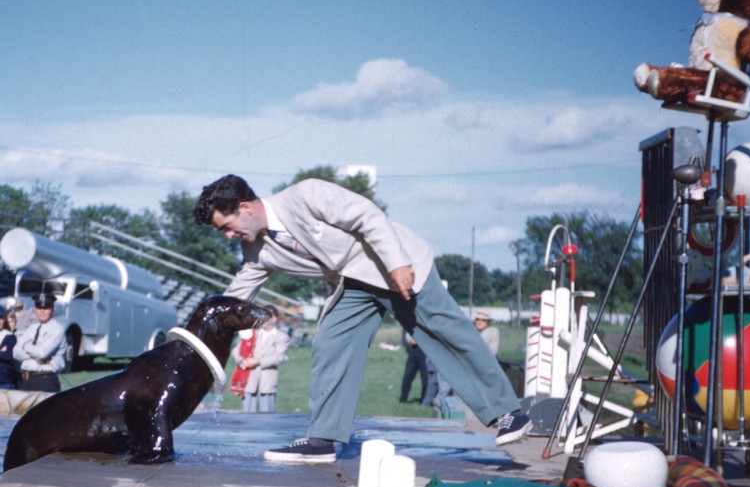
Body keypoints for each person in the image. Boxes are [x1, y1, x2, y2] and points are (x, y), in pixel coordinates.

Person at [192, 174, 531, 463]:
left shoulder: (306, 194)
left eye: (227, 226)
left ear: (245, 208)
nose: (228, 235)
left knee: (445, 332)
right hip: (352, 282)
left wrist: (398, 264)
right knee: (330, 343)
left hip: (396, 261)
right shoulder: (256, 250)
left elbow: (368, 216)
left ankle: (509, 414)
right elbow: (234, 298)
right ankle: (322, 441)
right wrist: (199, 337)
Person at [237, 306, 290, 413]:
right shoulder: (252, 334)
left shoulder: (282, 337)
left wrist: (258, 362)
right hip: (249, 380)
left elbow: (279, 357)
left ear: (275, 318)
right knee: (247, 414)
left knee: (266, 416)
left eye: (267, 316)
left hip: (267, 382)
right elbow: (237, 350)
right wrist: (242, 361)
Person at [14, 292, 66, 392]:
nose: (42, 311)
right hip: (26, 380)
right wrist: (34, 358)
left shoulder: (57, 330)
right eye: (39, 307)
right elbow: (15, 352)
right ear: (35, 309)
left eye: (46, 308)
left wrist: (24, 346)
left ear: (52, 309)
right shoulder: (31, 328)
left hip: (45, 380)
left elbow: (42, 353)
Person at [399, 331, 431, 404]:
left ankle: (423, 401)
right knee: (407, 376)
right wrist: (410, 341)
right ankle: (402, 399)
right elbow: (407, 335)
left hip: (424, 352)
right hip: (413, 351)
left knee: (425, 378)